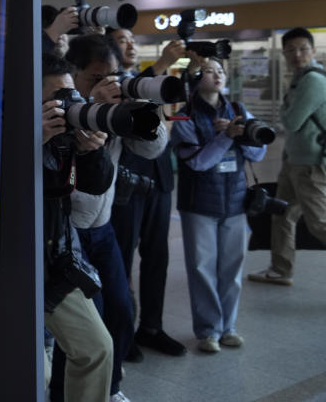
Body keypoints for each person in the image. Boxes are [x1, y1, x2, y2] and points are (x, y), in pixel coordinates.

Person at [53, 34, 167, 402]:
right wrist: (89, 105)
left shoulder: (119, 105)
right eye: (96, 77)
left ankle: (111, 387)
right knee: (84, 326)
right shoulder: (59, 106)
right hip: (65, 231)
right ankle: (63, 393)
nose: (107, 84)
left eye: (114, 76)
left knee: (120, 310)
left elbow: (154, 147)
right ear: (74, 73)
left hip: (103, 229)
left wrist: (133, 107)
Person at [171, 57, 267, 352]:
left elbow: (258, 154)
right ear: (196, 78)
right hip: (198, 203)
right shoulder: (184, 116)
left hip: (236, 201)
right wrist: (225, 137)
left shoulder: (238, 110)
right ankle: (208, 331)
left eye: (221, 71)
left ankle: (228, 327)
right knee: (202, 268)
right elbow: (199, 162)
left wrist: (242, 136)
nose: (217, 75)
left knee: (232, 268)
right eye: (209, 71)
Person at [108, 29, 188, 359]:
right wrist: (162, 64)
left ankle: (152, 327)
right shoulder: (112, 82)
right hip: (127, 182)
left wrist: (186, 69)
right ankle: (121, 333)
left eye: (132, 40)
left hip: (159, 178)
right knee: (122, 261)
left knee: (158, 257)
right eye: (122, 40)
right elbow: (131, 101)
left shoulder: (150, 79)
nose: (130, 45)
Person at [41, 53, 114, 402]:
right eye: (59, 100)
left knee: (97, 348)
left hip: (56, 260)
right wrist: (30, 140)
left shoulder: (67, 139)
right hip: (11, 269)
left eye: (73, 97)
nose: (70, 107)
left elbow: (96, 185)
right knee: (34, 373)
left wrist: (92, 152)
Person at [249, 27, 326, 285]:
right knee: (282, 214)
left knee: (319, 223)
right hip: (294, 160)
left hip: (310, 164)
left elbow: (291, 122)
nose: (297, 54)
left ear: (313, 51)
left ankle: (281, 268)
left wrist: (284, 109)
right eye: (290, 50)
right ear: (283, 54)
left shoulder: (313, 81)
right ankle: (281, 270)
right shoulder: (299, 79)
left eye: (303, 48)